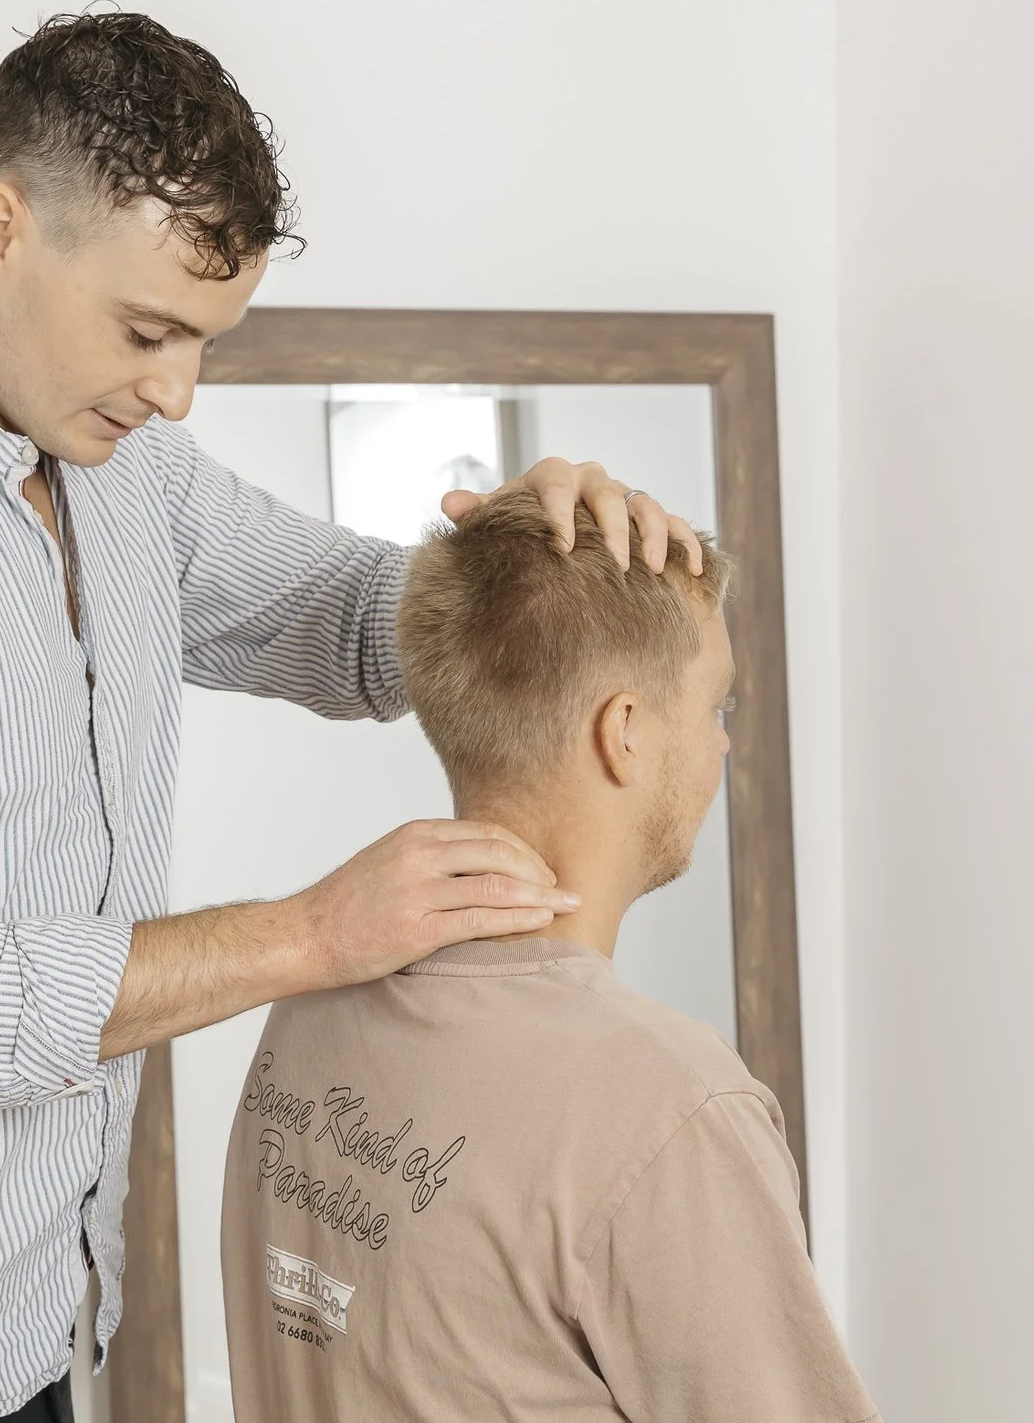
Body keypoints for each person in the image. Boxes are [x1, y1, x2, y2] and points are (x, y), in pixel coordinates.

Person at [0, 10, 707, 1423]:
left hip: (35, 1337)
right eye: (148, 330)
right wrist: (311, 935)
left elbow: (345, 615)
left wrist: (529, 552)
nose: (177, 391)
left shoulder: (123, 475)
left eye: (203, 342)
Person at [220, 490, 876, 1422]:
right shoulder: (671, 1109)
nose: (724, 738)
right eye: (715, 702)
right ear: (626, 731)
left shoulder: (313, 1006)